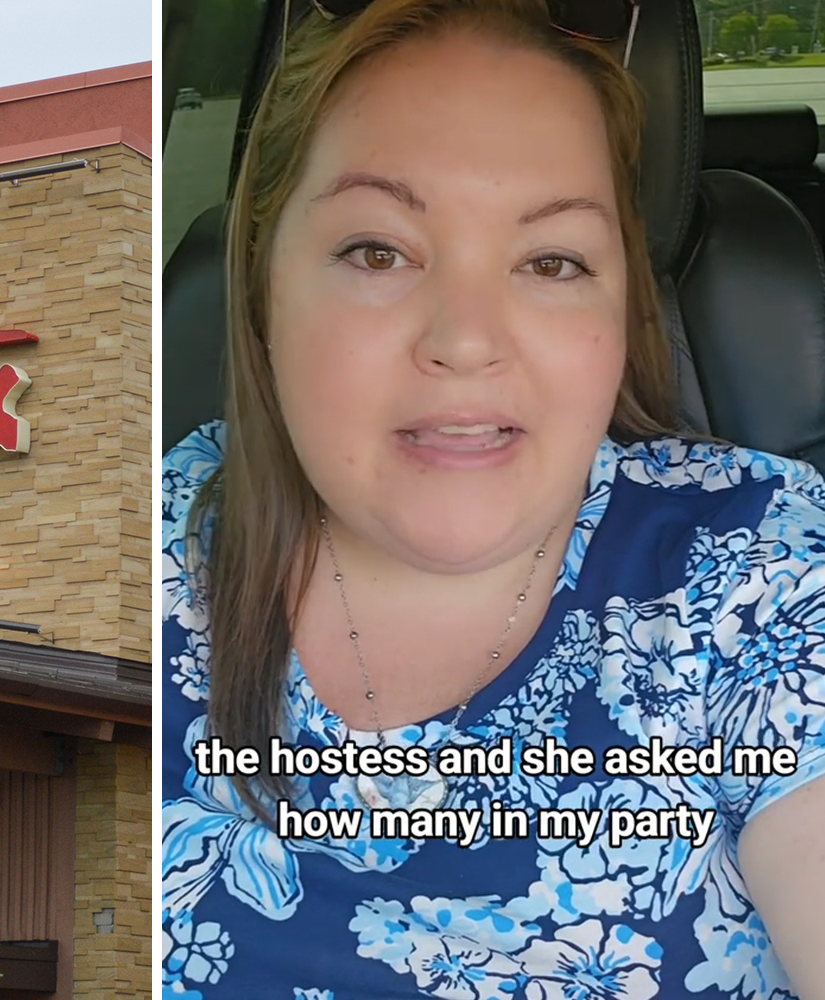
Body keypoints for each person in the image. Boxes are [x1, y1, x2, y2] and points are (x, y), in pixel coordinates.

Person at [160, 0, 825, 996]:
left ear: (617, 302)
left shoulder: (761, 566)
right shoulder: (143, 555)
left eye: (550, 261)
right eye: (377, 251)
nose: (466, 339)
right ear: (261, 285)